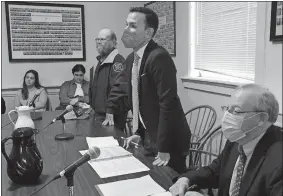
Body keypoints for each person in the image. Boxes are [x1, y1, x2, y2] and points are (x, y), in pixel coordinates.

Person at [108, 7, 191, 173]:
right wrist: (139, 133)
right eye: (126, 25)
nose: (125, 30)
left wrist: (163, 146)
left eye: (132, 26)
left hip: (169, 141)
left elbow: (168, 104)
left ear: (148, 33)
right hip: (149, 137)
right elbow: (138, 100)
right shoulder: (132, 58)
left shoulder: (159, 57)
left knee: (169, 182)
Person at [169, 84, 282, 196]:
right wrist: (186, 179)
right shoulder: (238, 138)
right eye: (227, 109)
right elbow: (214, 171)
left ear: (261, 118)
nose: (227, 116)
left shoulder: (278, 162)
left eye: (236, 111)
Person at [89, 28, 127, 130]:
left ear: (113, 42)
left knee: (112, 144)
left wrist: (110, 109)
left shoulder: (118, 61)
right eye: (97, 39)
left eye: (102, 39)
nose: (98, 42)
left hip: (111, 116)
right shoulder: (98, 61)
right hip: (98, 114)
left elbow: (118, 88)